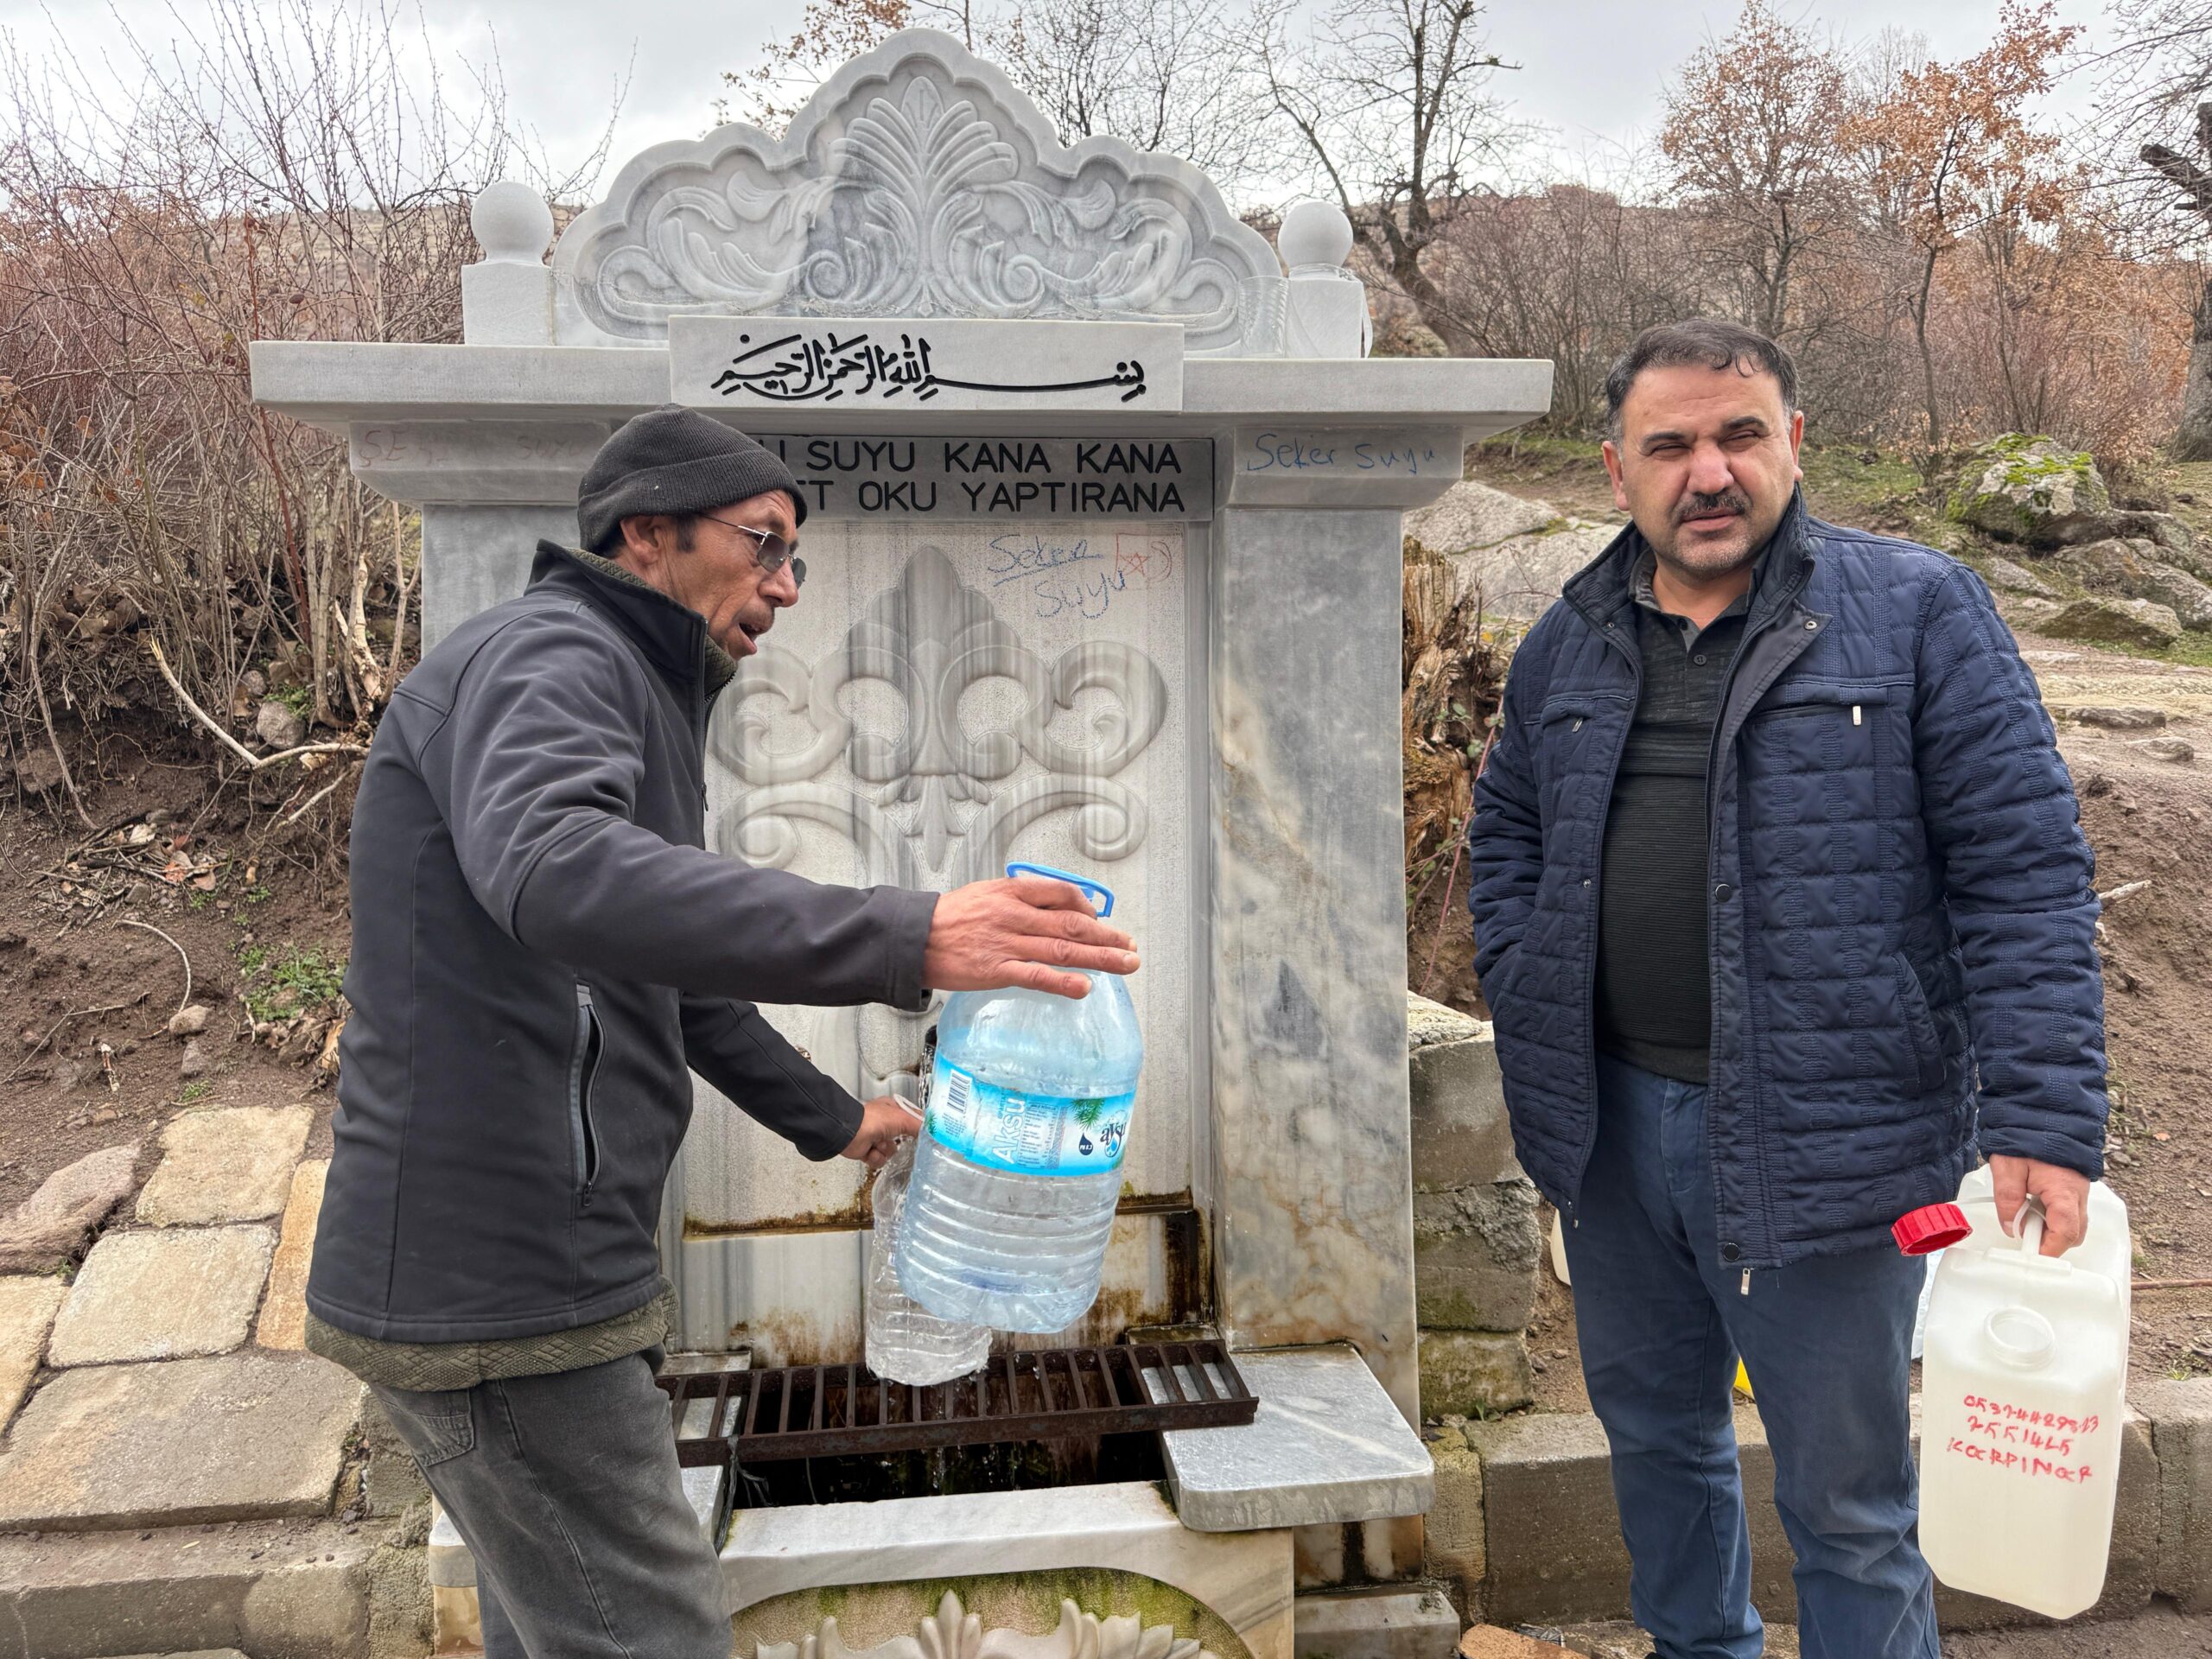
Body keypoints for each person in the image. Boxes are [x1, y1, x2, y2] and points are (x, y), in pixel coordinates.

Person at [304, 404, 1140, 1658]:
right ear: (649, 533)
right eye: (764, 545)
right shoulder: (556, 659)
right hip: (498, 1286)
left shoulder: (624, 685)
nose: (787, 586)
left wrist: (834, 1117)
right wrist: (907, 934)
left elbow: (659, 976)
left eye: (793, 558)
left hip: (524, 1265)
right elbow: (557, 870)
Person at [1466, 320, 2106, 1659]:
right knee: (1658, 1452)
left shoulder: (1920, 610)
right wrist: (1526, 978)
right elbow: (1509, 834)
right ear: (1614, 469)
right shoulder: (1566, 644)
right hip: (1610, 1135)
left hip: (1837, 1147)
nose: (1711, 471)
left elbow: (2024, 872)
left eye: (1740, 435)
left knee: (1850, 1507)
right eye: (1673, 445)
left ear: (1792, 442)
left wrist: (2044, 1121)